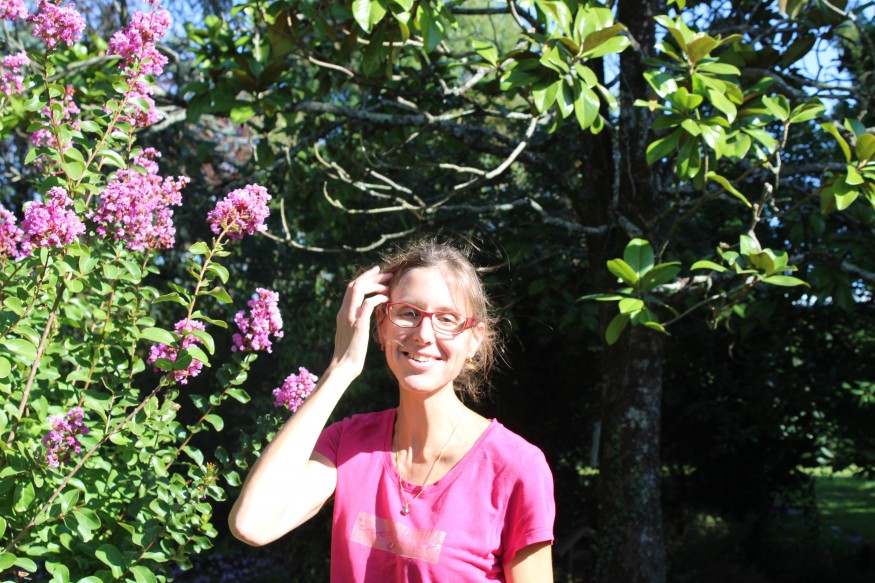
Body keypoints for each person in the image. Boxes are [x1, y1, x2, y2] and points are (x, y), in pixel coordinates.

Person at [229, 239, 555, 582]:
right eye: (408, 313)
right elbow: (251, 524)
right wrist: (340, 369)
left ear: (474, 340)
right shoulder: (348, 445)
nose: (423, 334)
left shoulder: (515, 467)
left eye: (447, 319)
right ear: (382, 326)